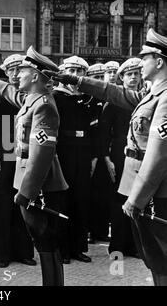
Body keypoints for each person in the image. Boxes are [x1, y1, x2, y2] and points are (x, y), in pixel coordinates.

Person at [45, 28, 167, 286]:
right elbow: (115, 93)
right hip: (140, 183)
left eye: (144, 57)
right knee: (154, 257)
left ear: (159, 61)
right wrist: (77, 81)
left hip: (155, 192)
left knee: (161, 257)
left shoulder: (165, 99)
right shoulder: (153, 93)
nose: (140, 62)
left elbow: (157, 157)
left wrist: (136, 199)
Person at [0, 46, 69, 286]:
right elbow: (6, 89)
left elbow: (41, 155)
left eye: (21, 70)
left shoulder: (43, 105)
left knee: (47, 244)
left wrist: (27, 192)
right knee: (44, 244)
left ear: (34, 76)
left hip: (42, 187)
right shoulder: (31, 99)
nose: (16, 75)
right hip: (32, 184)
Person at [0, 54, 36, 268]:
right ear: (4, 72)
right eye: (11, 69)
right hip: (3, 156)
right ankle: (3, 254)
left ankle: (24, 252)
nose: (15, 74)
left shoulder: (28, 96)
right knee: (4, 204)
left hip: (24, 155)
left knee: (23, 203)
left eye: (19, 69)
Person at [52, 56, 96, 264]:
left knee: (81, 199)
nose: (76, 75)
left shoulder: (87, 99)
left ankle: (78, 247)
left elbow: (94, 130)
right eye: (71, 70)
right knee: (63, 200)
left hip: (83, 152)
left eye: (80, 72)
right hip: (64, 151)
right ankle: (62, 249)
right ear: (63, 72)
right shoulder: (56, 97)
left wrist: (93, 156)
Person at [99, 58, 142, 258]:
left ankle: (134, 245)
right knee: (118, 200)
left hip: (139, 157)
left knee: (136, 199)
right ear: (122, 77)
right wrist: (106, 158)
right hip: (118, 155)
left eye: (137, 74)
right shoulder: (113, 102)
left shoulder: (143, 99)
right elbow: (103, 132)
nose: (134, 78)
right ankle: (117, 246)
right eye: (129, 74)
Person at [85, 64, 112, 244]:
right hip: (89, 153)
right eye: (96, 77)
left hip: (105, 154)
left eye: (102, 77)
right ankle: (88, 230)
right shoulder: (87, 101)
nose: (99, 81)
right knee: (89, 194)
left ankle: (100, 230)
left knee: (104, 194)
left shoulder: (109, 101)